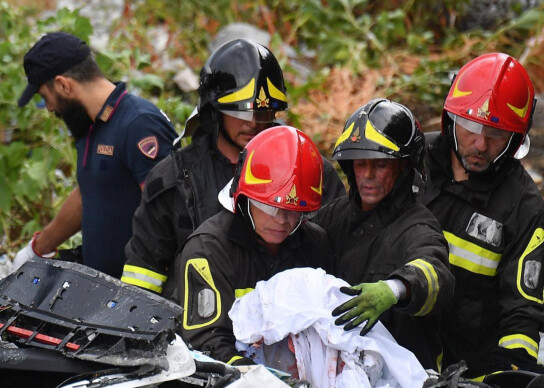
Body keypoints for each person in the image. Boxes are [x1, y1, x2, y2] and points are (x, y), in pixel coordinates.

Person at [122, 39, 345, 299]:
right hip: (199, 328)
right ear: (214, 111)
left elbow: (337, 254)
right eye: (240, 112)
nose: (254, 123)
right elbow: (143, 276)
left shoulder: (310, 171)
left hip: (292, 324)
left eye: (265, 113)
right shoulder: (173, 178)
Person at [418, 52, 544, 378]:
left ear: (516, 139)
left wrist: (506, 383)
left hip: (470, 378)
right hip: (394, 360)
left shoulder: (524, 208)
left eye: (496, 134)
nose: (480, 144)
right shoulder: (410, 163)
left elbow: (523, 314)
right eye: (469, 126)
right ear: (450, 119)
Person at [13, 31, 177, 278]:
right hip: (99, 293)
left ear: (63, 85)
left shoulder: (139, 125)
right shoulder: (90, 125)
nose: (49, 108)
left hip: (139, 299)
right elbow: (91, 191)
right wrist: (37, 249)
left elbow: (169, 216)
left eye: (45, 97)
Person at [314, 99, 454, 371]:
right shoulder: (333, 217)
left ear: (403, 167)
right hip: (341, 369)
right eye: (360, 164)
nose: (367, 175)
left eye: (379, 165)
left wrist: (395, 288)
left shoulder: (417, 225)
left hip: (405, 379)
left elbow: (437, 275)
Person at [176, 125, 333, 365]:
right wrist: (264, 382)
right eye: (270, 207)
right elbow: (206, 344)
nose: (281, 220)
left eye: (293, 212)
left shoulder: (314, 244)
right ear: (243, 198)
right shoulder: (208, 250)